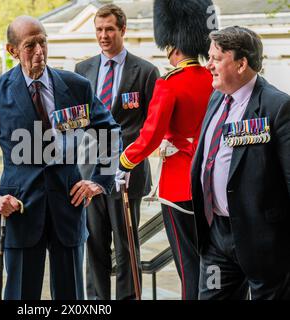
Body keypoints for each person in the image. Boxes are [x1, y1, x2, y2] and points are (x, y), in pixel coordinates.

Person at [0, 15, 121, 300]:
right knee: (20, 295)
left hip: (68, 207)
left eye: (43, 42)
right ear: (12, 50)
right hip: (20, 210)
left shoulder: (76, 86)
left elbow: (110, 131)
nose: (39, 52)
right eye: (30, 46)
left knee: (71, 297)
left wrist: (99, 181)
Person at [117, 0, 216, 300]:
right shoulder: (213, 78)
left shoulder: (169, 83)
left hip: (178, 186)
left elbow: (150, 135)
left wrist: (125, 160)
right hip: (212, 182)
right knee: (213, 262)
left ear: (172, 44)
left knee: (188, 266)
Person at [191, 26, 290, 299]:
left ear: (241, 64)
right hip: (216, 237)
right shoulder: (216, 97)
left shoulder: (277, 106)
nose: (208, 65)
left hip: (264, 242)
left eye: (216, 59)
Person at [74, 4, 158, 300]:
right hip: (90, 172)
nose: (103, 35)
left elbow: (152, 126)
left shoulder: (146, 71)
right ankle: (97, 301)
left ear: (122, 30)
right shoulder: (82, 70)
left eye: (109, 29)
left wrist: (129, 161)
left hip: (127, 173)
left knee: (126, 247)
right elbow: (78, 121)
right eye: (98, 29)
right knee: (93, 243)